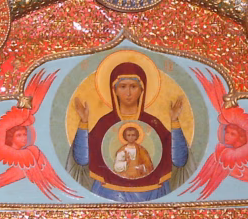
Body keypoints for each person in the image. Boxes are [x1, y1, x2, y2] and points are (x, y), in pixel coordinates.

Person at [69, 61, 188, 201]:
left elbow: (179, 161)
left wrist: (175, 121)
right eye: (123, 86)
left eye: (133, 86)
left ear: (142, 90)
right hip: (109, 192)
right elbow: (82, 160)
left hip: (151, 193)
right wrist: (83, 122)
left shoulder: (153, 123)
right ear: (114, 90)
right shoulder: (104, 123)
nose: (128, 93)